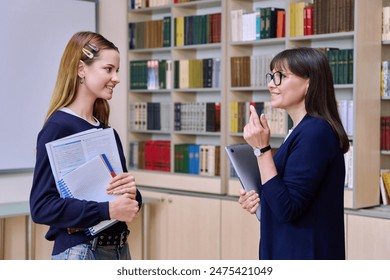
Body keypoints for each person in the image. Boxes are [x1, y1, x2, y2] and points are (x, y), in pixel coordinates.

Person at [29, 31, 142, 260]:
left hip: (119, 250)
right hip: (80, 253)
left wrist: (133, 195)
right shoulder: (58, 127)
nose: (116, 78)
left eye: (117, 71)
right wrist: (107, 210)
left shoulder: (107, 131)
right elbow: (41, 207)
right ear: (81, 69)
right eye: (108, 69)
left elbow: (126, 202)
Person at [239, 47, 349, 260]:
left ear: (309, 82)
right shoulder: (301, 131)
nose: (271, 83)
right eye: (271, 75)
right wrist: (259, 201)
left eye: (281, 76)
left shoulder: (315, 132)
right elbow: (285, 198)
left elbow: (287, 210)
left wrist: (262, 150)